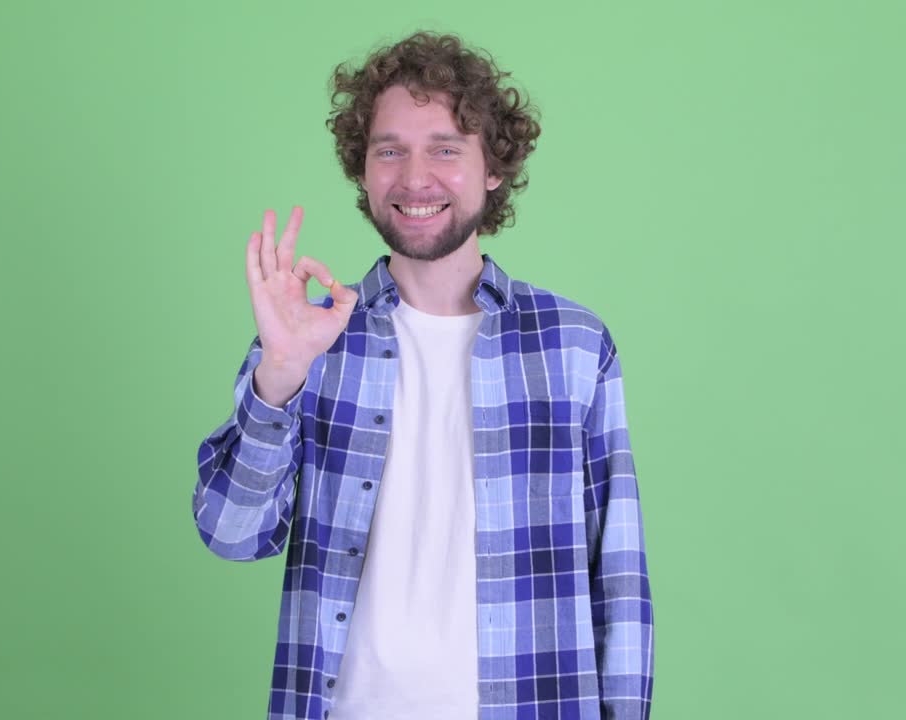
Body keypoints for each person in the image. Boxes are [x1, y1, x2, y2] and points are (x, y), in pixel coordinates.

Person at [193, 31, 654, 720]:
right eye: (390, 150)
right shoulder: (311, 337)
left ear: (493, 167)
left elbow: (618, 578)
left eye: (445, 148)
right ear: (363, 169)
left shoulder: (573, 345)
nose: (415, 177)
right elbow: (232, 532)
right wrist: (280, 373)